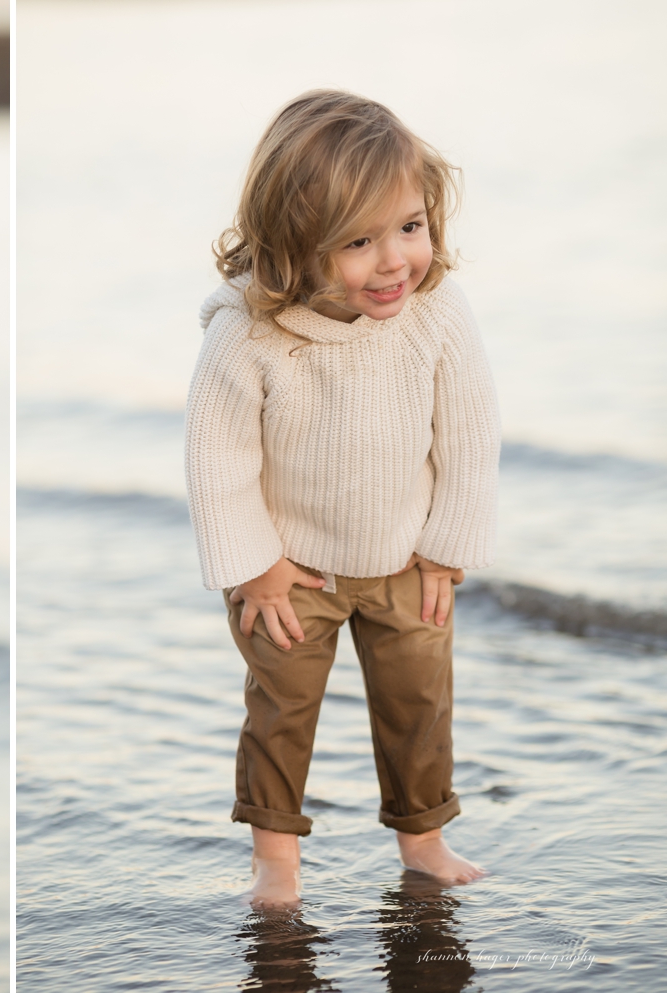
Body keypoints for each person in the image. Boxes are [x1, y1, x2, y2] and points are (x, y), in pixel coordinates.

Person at [185, 89, 499, 910]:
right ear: (295, 242)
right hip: (291, 572)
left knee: (418, 702)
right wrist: (253, 567)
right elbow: (217, 459)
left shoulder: (436, 314)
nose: (395, 260)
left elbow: (470, 433)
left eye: (410, 226)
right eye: (359, 241)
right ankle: (276, 861)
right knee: (281, 709)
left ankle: (423, 839)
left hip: (407, 560)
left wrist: (447, 545)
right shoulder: (249, 334)